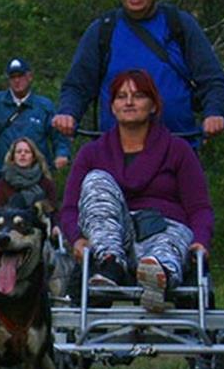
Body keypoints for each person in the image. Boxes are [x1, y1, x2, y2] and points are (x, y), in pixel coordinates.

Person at [60, 69, 212, 313]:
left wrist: (201, 241)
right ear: (112, 107)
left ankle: (157, 278)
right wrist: (77, 239)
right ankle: (110, 265)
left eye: (138, 96)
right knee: (97, 179)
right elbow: (68, 208)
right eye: (121, 96)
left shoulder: (178, 150)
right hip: (114, 237)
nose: (129, 102)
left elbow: (200, 207)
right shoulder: (92, 153)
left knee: (163, 248)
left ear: (153, 105)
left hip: (165, 228)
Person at [52, 0, 224, 143]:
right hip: (116, 156)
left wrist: (215, 113)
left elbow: (213, 80)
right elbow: (78, 84)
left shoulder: (179, 25)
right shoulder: (102, 31)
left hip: (177, 152)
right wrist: (68, 112)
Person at [0, 57, 69, 203]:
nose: (17, 81)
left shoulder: (44, 105)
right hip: (4, 178)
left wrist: (62, 153)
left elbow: (58, 136)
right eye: (12, 77)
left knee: (48, 219)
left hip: (38, 179)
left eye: (20, 76)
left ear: (29, 77)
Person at [0, 137, 60, 210]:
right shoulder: (3, 184)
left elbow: (54, 210)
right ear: (13, 157)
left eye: (27, 152)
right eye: (19, 152)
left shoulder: (46, 182)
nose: (22, 154)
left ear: (33, 157)